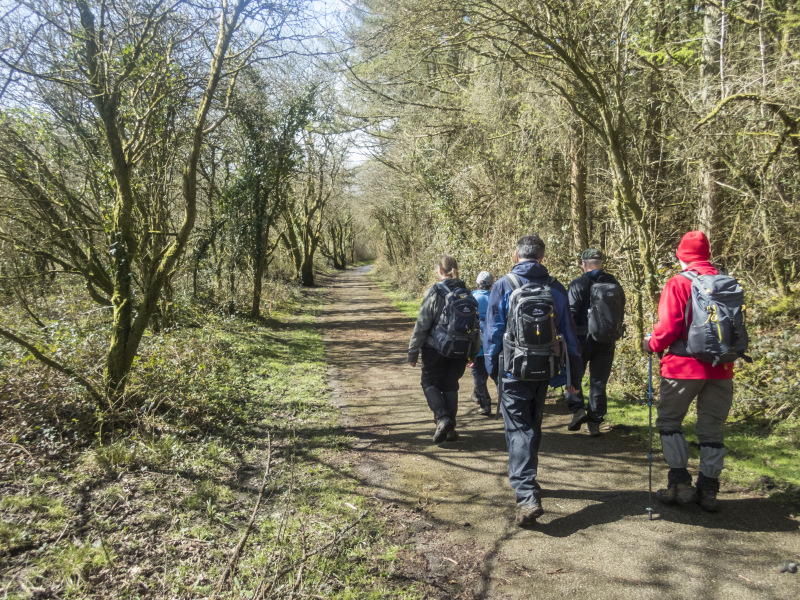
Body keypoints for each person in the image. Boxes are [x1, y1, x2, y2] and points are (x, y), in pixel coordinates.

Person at [484, 235, 582, 526]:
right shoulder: (555, 288)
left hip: (513, 370)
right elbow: (570, 335)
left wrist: (493, 370)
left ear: (517, 256)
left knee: (518, 429)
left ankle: (526, 495)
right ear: (542, 256)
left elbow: (492, 332)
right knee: (532, 425)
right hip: (546, 368)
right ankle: (529, 481)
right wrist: (573, 377)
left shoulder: (503, 285)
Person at [643, 231, 734, 512]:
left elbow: (668, 328)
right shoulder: (727, 283)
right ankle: (708, 490)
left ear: (680, 255)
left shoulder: (678, 283)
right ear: (706, 254)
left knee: (669, 423)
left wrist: (651, 344)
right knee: (712, 429)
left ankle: (680, 484)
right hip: (722, 368)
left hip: (682, 368)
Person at [408, 255, 477, 443]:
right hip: (461, 348)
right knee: (450, 385)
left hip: (434, 349)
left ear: (439, 270)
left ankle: (442, 418)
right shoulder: (467, 292)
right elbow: (475, 325)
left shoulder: (434, 292)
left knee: (429, 383)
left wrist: (413, 352)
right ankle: (450, 431)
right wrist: (473, 352)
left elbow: (422, 325)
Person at [566, 248, 626, 436]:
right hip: (606, 339)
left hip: (582, 340)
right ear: (601, 262)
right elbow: (621, 308)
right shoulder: (613, 283)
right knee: (599, 381)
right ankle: (594, 422)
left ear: (583, 263)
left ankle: (577, 410)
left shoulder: (578, 283)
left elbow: (571, 314)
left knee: (574, 376)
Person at [469, 271, 494, 416]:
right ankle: (476, 394)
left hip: (476, 340)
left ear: (477, 282)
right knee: (485, 371)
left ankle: (485, 403)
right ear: (491, 284)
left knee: (478, 372)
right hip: (492, 341)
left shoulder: (472, 298)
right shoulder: (495, 297)